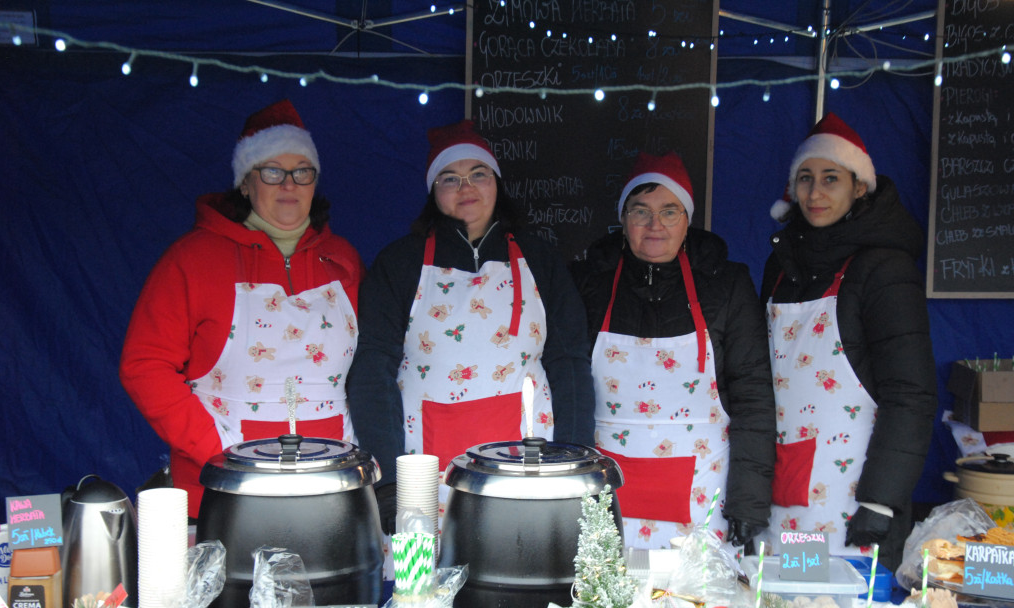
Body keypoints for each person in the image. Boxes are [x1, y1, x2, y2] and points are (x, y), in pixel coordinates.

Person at [120, 100, 364, 517]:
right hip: (224, 489)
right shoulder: (192, 258)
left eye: (302, 172)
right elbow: (144, 365)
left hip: (329, 484)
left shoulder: (342, 259)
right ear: (246, 184)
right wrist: (217, 447)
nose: (289, 184)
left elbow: (367, 367)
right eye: (272, 171)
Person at [347, 120, 595, 530]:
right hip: (423, 464)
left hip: (529, 463)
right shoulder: (400, 262)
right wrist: (389, 480)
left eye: (478, 174)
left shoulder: (541, 259)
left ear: (496, 182)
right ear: (433, 191)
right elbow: (373, 368)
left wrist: (574, 457)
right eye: (450, 178)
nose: (467, 188)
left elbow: (569, 363)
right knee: (428, 581)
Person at [573, 150, 776, 551]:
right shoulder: (584, 284)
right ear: (623, 218)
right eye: (640, 211)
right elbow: (568, 391)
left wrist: (748, 503)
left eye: (669, 211)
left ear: (687, 220)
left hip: (703, 491)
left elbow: (753, 397)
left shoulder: (728, 285)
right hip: (607, 491)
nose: (655, 226)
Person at [760, 112, 936, 571]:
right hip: (787, 486)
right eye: (805, 179)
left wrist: (881, 501)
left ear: (859, 186)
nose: (815, 194)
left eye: (830, 179)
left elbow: (910, 394)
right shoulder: (779, 268)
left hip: (854, 498)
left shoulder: (885, 270)